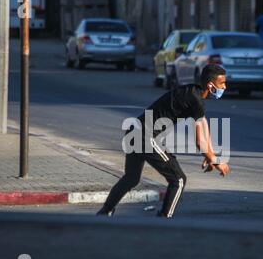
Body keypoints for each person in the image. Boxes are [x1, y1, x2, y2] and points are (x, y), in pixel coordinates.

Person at [96, 64, 230, 218]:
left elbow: (204, 125)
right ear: (211, 85)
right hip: (146, 137)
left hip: (134, 131)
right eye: (222, 84)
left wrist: (210, 155)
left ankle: (104, 212)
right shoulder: (196, 100)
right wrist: (216, 160)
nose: (225, 87)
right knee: (178, 179)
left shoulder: (192, 92)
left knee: (131, 178)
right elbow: (200, 141)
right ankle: (164, 220)